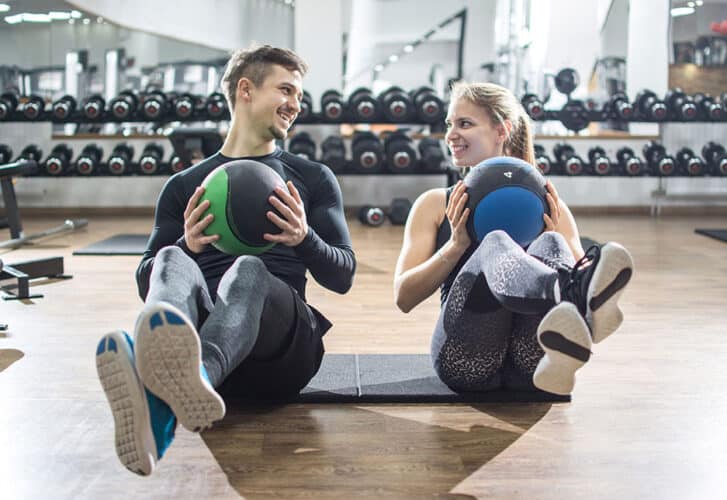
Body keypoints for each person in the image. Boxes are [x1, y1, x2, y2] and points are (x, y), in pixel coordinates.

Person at [95, 45, 356, 476]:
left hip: (283, 351)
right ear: (246, 90)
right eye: (286, 90)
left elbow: (343, 275)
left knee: (249, 269)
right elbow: (148, 278)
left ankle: (172, 386)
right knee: (171, 259)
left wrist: (303, 237)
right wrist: (187, 244)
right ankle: (173, 398)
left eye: (299, 97)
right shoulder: (185, 186)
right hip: (215, 355)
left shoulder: (310, 177)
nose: (296, 105)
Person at [394, 81, 633, 396]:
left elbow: (590, 304)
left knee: (553, 244)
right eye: (449, 124)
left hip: (532, 364)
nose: (451, 134)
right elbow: (404, 297)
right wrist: (456, 246)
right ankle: (561, 287)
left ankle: (564, 298)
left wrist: (548, 241)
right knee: (495, 241)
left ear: (501, 130)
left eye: (464, 123)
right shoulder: (436, 204)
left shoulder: (549, 205)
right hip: (466, 359)